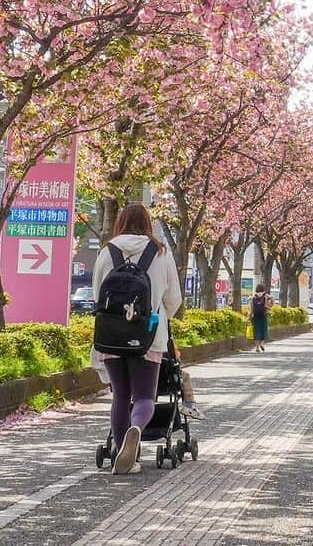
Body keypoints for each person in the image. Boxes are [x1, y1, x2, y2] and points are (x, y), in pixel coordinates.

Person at [92, 203, 182, 475]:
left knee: (121, 395)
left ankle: (124, 455)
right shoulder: (160, 252)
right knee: (144, 397)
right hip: (149, 336)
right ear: (148, 223)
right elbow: (173, 299)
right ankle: (137, 427)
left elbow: (98, 294)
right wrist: (157, 314)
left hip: (111, 335)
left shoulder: (107, 251)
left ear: (120, 222)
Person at [249, 282, 270, 352]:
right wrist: (270, 307)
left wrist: (249, 317)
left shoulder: (253, 298)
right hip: (263, 316)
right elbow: (266, 306)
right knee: (263, 330)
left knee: (256, 331)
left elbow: (251, 309)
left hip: (255, 317)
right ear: (263, 289)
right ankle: (262, 344)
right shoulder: (265, 297)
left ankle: (257, 347)